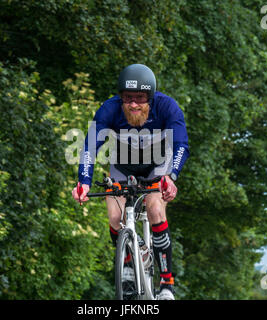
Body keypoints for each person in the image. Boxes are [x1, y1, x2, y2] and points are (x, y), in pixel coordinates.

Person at [71, 64, 189, 300]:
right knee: (116, 219)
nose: (133, 104)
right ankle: (127, 263)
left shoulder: (167, 107)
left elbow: (181, 145)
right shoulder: (110, 109)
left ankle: (167, 283)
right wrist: (84, 182)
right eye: (128, 98)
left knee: (155, 208)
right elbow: (89, 147)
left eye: (140, 98)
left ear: (151, 97)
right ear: (120, 97)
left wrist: (171, 176)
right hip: (122, 166)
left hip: (157, 167)